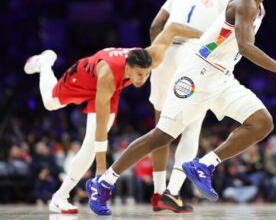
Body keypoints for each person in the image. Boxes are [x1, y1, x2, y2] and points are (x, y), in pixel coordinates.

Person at [87, 0, 276, 216]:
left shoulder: (259, 9)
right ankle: (103, 182)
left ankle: (205, 165)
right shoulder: (244, 2)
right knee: (163, 135)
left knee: (262, 122)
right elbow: (246, 47)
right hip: (197, 73)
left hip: (222, 77)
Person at [23, 22, 201, 214]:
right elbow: (101, 126)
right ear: (128, 68)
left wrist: (208, 35)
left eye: (146, 74)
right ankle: (44, 63)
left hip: (111, 88)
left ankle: (60, 197)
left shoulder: (152, 57)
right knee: (51, 102)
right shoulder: (108, 74)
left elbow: (173, 28)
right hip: (86, 77)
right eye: (139, 74)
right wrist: (101, 171)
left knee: (89, 146)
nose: (142, 79)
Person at [148, 0, 240, 213]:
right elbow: (227, 36)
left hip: (164, 50)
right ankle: (172, 193)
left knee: (161, 127)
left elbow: (156, 26)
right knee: (191, 128)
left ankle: (157, 193)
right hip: (192, 54)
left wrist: (157, 53)